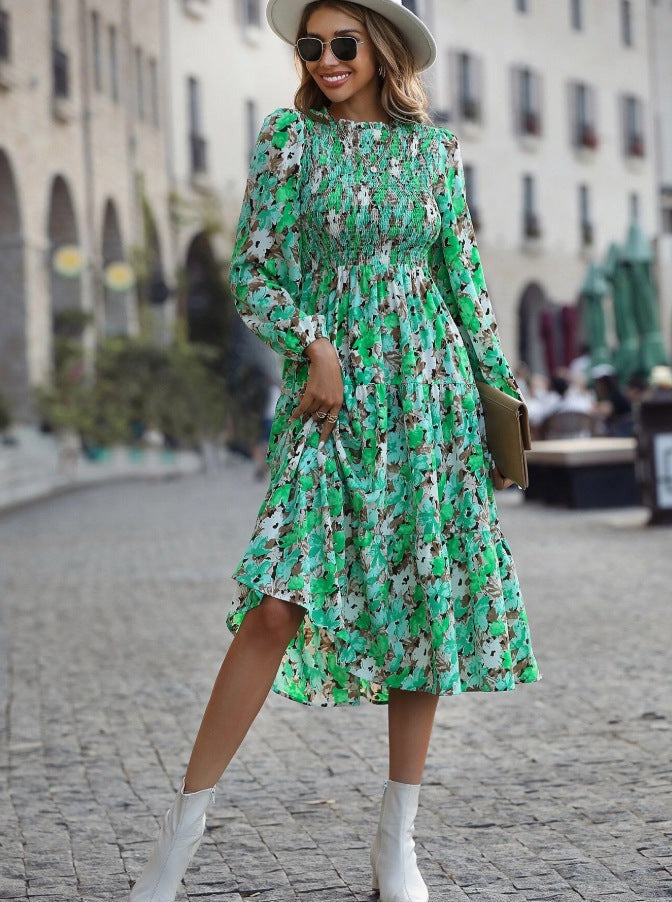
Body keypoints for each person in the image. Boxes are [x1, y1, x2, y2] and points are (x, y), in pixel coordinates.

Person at [128, 3, 540, 901]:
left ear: (382, 49)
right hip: (330, 399)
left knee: (423, 602)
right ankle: (179, 838)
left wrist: (499, 399)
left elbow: (461, 280)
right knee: (276, 603)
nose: (324, 60)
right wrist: (314, 340)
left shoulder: (433, 154)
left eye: (341, 44)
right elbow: (253, 266)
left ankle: (398, 846)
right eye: (310, 46)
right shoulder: (289, 140)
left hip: (429, 397)